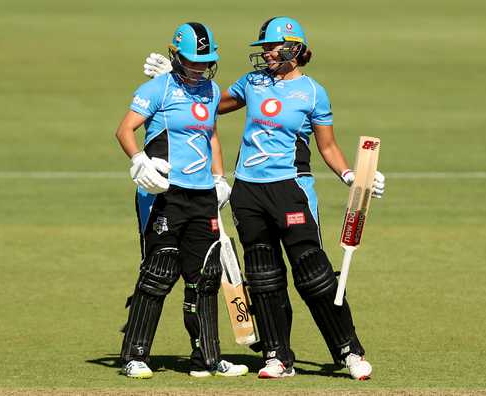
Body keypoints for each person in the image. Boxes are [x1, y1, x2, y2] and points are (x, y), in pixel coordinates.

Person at [142, 16, 385, 380]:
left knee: (313, 275)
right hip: (248, 192)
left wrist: (353, 176)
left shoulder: (313, 92)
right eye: (264, 48)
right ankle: (277, 356)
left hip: (291, 188)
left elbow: (328, 145)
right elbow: (206, 107)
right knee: (263, 276)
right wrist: (176, 81)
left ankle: (349, 352)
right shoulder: (251, 82)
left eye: (273, 47)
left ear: (295, 49)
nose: (267, 53)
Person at [115, 22, 248, 379]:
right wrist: (139, 160)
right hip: (167, 195)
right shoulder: (157, 88)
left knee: (205, 275)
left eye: (206, 61)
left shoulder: (210, 89)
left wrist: (220, 178)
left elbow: (212, 137)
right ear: (176, 56)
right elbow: (124, 129)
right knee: (159, 272)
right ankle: (135, 356)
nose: (201, 67)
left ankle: (206, 357)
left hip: (203, 195)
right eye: (193, 61)